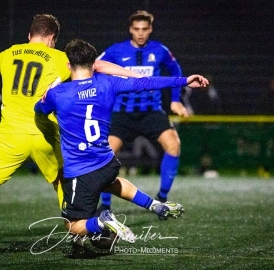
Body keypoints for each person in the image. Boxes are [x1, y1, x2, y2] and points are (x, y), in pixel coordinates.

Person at [0, 14, 147, 262]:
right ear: (52, 38)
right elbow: (99, 67)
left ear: (30, 35)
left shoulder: (8, 54)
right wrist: (134, 76)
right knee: (64, 187)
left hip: (10, 137)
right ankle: (78, 238)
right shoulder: (58, 57)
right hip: (45, 135)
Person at [35, 39, 208, 244]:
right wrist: (184, 80)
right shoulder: (109, 82)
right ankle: (154, 204)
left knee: (72, 226)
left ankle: (101, 221)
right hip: (107, 164)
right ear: (93, 64)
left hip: (80, 171)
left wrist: (46, 94)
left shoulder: (58, 93)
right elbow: (147, 82)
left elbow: (39, 110)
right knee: (112, 183)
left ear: (68, 65)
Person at [97, 10, 189, 210]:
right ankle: (105, 205)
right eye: (136, 29)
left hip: (151, 112)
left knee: (173, 145)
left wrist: (175, 100)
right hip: (122, 113)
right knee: (105, 156)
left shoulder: (160, 50)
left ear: (150, 29)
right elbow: (95, 66)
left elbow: (176, 70)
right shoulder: (116, 50)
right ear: (130, 29)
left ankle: (163, 198)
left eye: (144, 29)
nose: (140, 33)